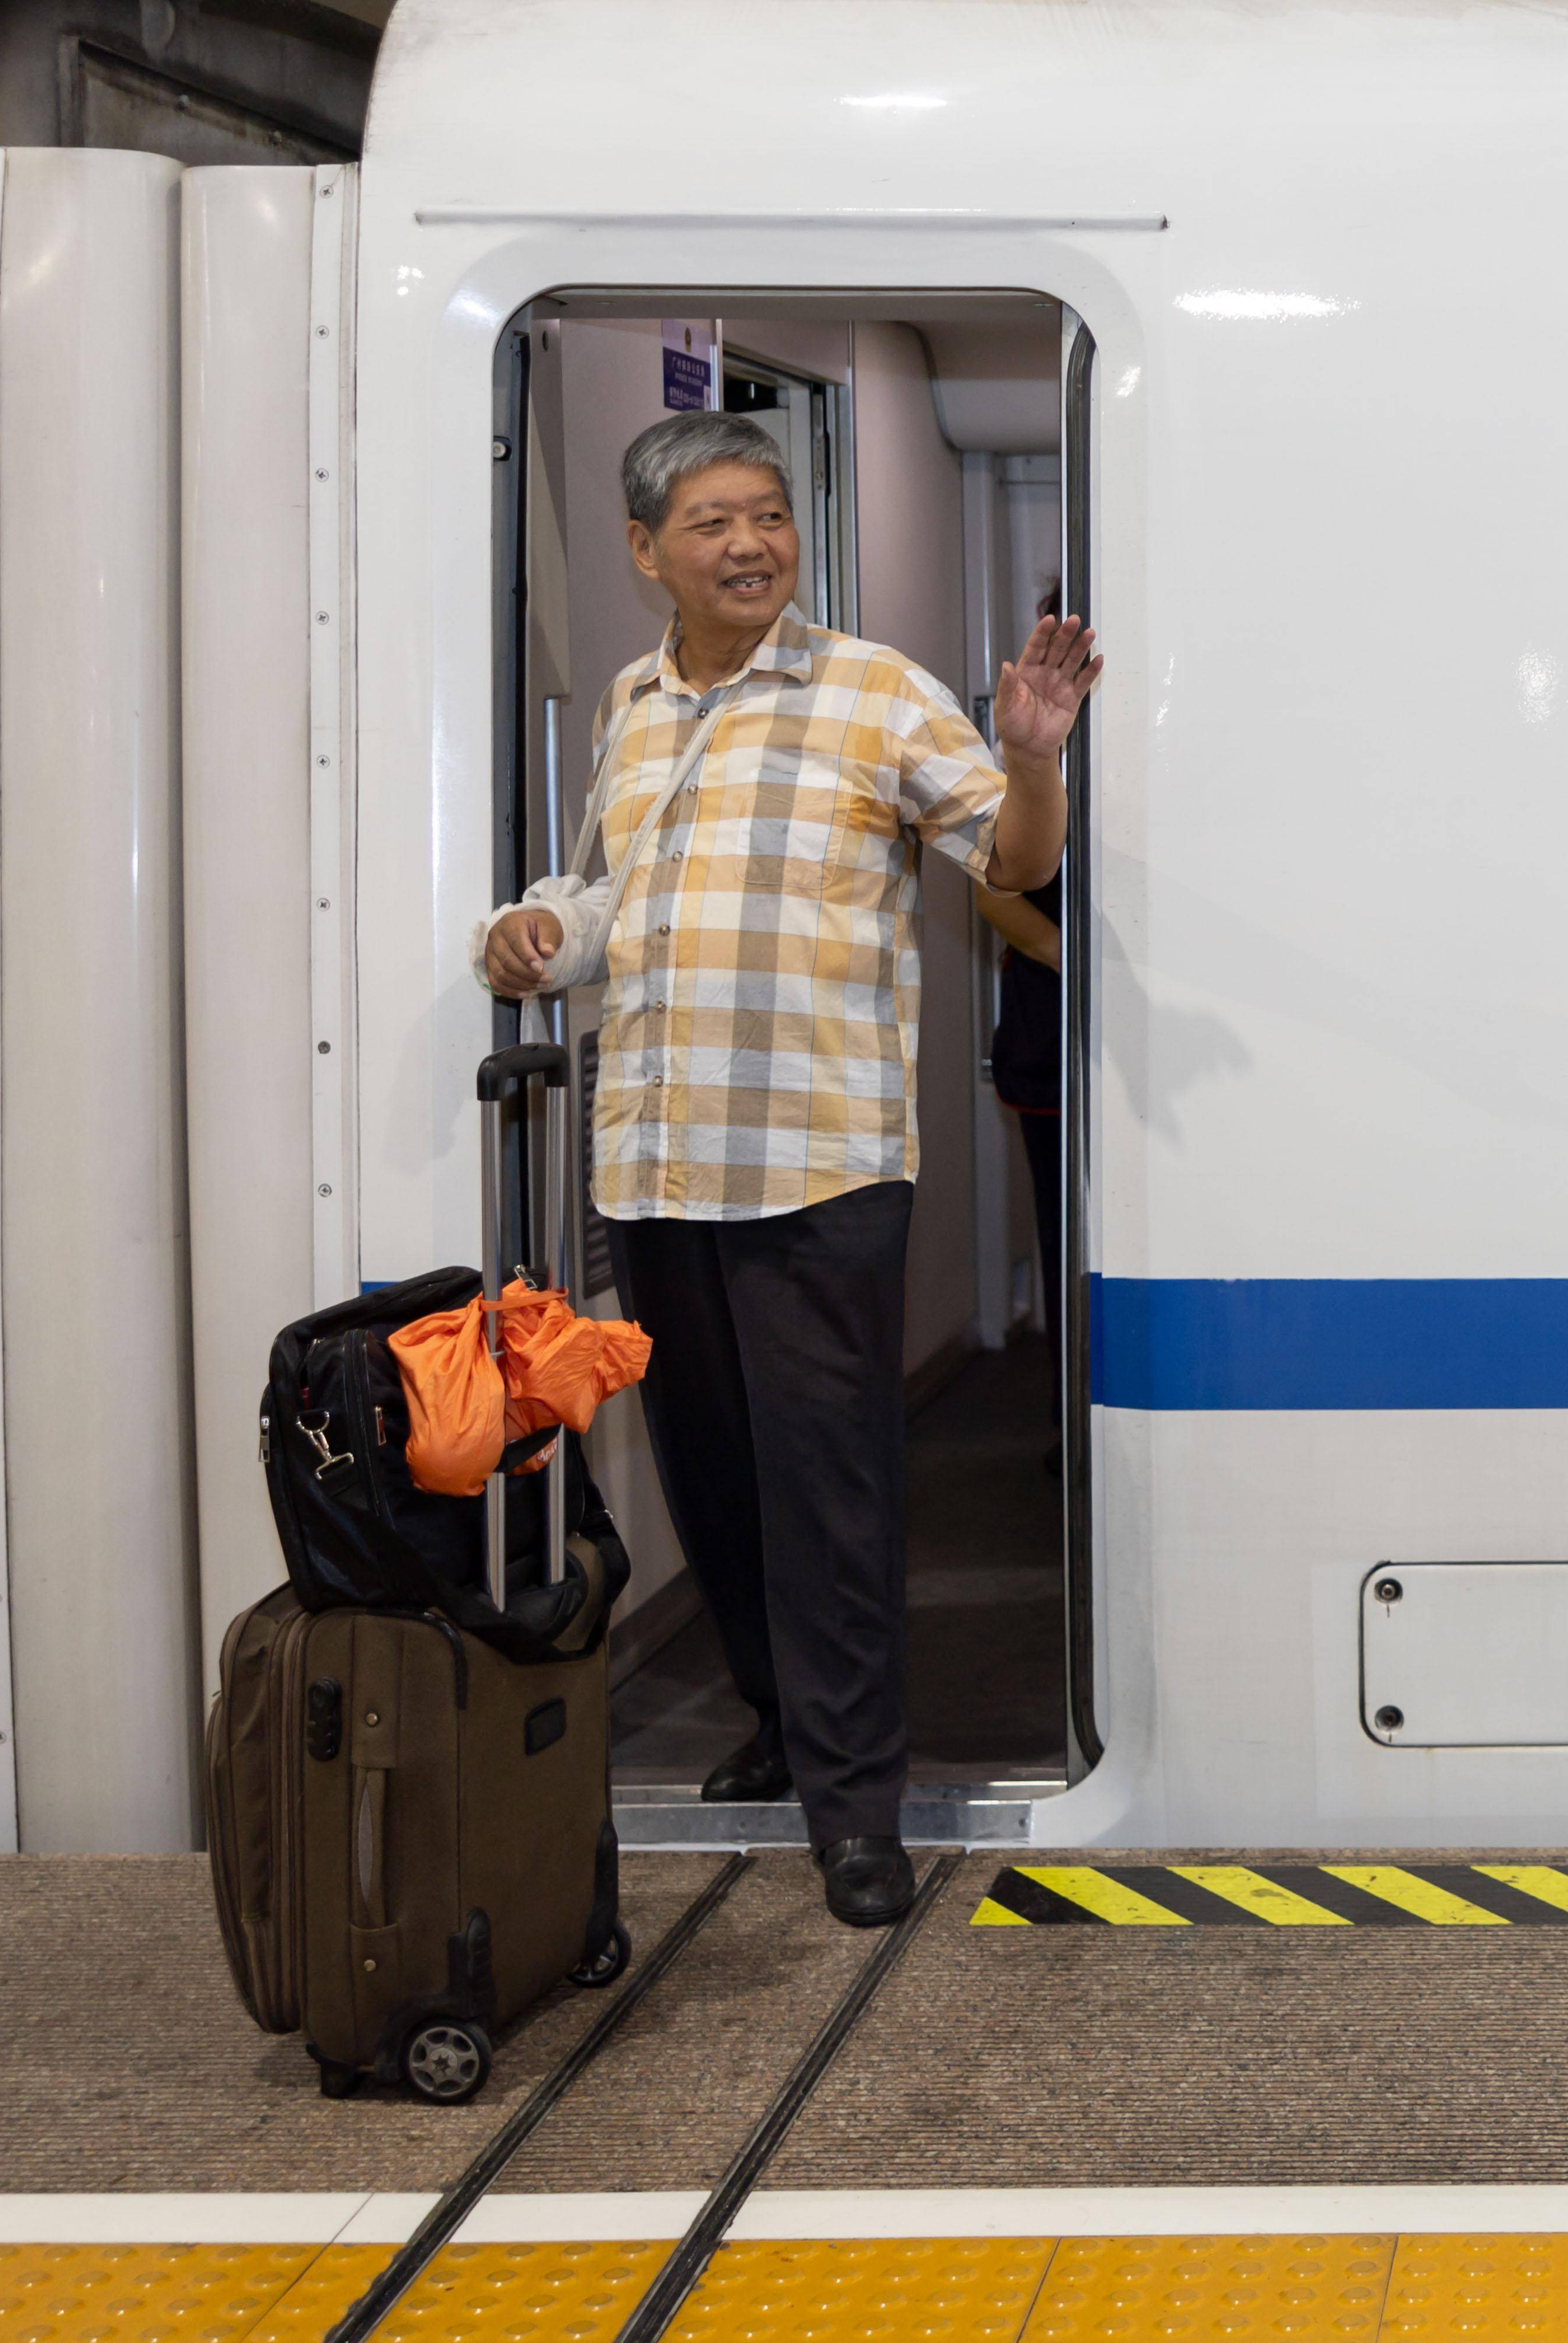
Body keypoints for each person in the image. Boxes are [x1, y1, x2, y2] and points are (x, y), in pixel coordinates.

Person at [476, 411, 1100, 1927]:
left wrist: (1029, 763)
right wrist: (542, 933)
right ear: (646, 552)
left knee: (829, 1489)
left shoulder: (871, 692)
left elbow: (1011, 869)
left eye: (768, 513)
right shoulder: (633, 703)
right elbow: (616, 891)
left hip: (818, 1166)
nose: (751, 542)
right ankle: (773, 1721)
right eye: (713, 522)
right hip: (658, 1160)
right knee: (717, 1480)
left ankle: (854, 1803)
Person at [974, 870, 1066, 1476]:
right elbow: (993, 889)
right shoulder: (1035, 778)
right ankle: (1082, 1430)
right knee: (1068, 1248)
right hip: (1055, 1035)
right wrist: (1076, 958)